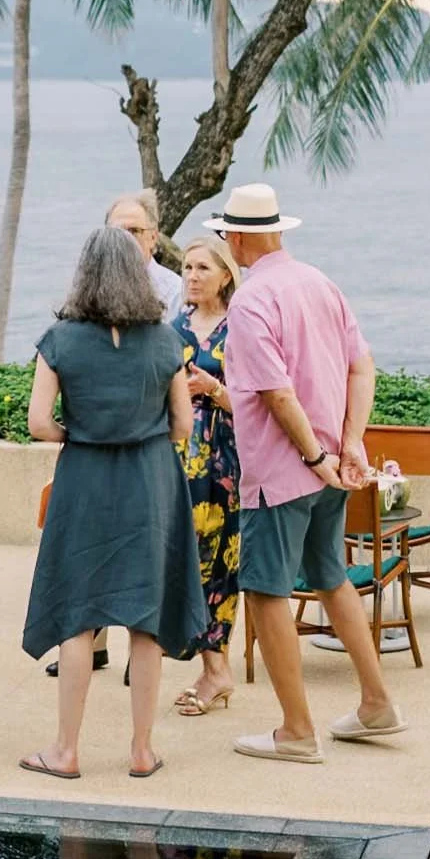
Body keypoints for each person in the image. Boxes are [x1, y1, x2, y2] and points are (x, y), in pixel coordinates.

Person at [209, 181, 408, 763]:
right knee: (331, 575)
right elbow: (362, 368)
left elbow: (275, 392)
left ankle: (296, 730)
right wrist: (347, 445)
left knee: (265, 591)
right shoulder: (320, 282)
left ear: (238, 238)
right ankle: (376, 703)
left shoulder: (250, 301)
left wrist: (316, 456)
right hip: (328, 468)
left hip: (281, 472)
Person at [20, 225, 203, 781]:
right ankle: (142, 751)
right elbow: (181, 426)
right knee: (146, 624)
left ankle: (66, 751)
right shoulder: (166, 341)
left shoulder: (61, 340)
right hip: (150, 483)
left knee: (78, 617)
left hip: (85, 482)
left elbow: (37, 424)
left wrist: (80, 432)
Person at [172, 234, 243, 717]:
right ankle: (211, 665)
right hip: (174, 458)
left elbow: (258, 402)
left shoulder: (241, 327)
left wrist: (213, 388)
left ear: (225, 276)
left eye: (201, 268)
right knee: (183, 561)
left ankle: (216, 669)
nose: (191, 276)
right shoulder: (172, 327)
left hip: (224, 460)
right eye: (186, 268)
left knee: (217, 564)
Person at [106, 190, 183, 312]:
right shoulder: (93, 287)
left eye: (134, 231)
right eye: (117, 232)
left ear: (153, 238)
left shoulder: (176, 293)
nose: (125, 238)